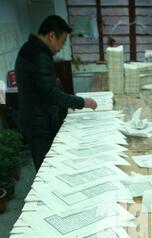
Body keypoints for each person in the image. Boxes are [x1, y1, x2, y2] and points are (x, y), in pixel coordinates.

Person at [15, 15, 97, 171]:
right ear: (51, 36)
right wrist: (81, 102)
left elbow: (43, 88)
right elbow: (50, 93)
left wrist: (66, 102)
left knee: (45, 166)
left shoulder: (28, 48)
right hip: (40, 125)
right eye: (62, 41)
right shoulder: (40, 56)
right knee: (48, 170)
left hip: (33, 120)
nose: (61, 47)